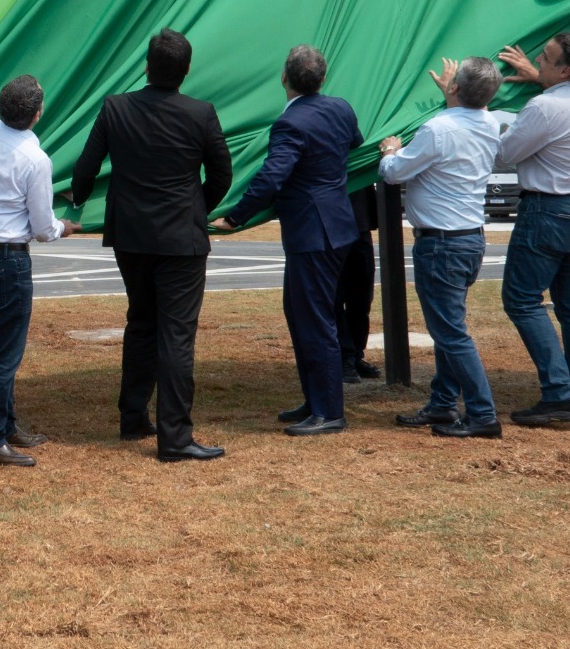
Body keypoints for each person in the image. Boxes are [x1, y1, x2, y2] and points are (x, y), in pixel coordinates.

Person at [72, 30, 232, 460]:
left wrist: (79, 199)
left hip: (130, 235)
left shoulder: (115, 107)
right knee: (176, 335)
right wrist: (197, 207)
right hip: (181, 237)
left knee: (141, 321)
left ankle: (133, 417)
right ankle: (175, 438)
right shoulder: (201, 113)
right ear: (186, 70)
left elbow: (85, 169)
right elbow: (222, 174)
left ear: (146, 66)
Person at [212, 45, 362, 436]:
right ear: (323, 78)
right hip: (335, 226)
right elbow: (355, 141)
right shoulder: (341, 108)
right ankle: (315, 400)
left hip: (313, 232)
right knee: (300, 314)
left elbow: (272, 176)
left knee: (314, 320)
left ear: (284, 77)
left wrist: (236, 216)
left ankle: (329, 411)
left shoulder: (290, 123)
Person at [380, 57, 506, 439]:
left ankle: (483, 414)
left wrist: (389, 151)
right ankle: (443, 403)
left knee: (451, 333)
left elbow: (395, 173)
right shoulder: (489, 123)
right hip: (468, 239)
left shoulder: (437, 129)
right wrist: (453, 95)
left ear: (455, 88)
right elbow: (464, 116)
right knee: (449, 327)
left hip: (442, 244)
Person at [496, 30, 570, 424]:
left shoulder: (542, 107)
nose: (537, 62)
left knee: (522, 300)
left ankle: (561, 394)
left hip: (549, 211)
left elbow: (506, 152)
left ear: (565, 71)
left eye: (545, 59)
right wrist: (540, 77)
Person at [0, 76, 78, 468]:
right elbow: (44, 228)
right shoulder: (35, 159)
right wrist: (65, 226)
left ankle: (5, 424)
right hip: (8, 258)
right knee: (4, 354)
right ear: (37, 114)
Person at [337, 185, 381, 383]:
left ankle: (355, 354)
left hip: (360, 225)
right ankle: (344, 356)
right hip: (333, 224)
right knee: (336, 297)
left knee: (361, 298)